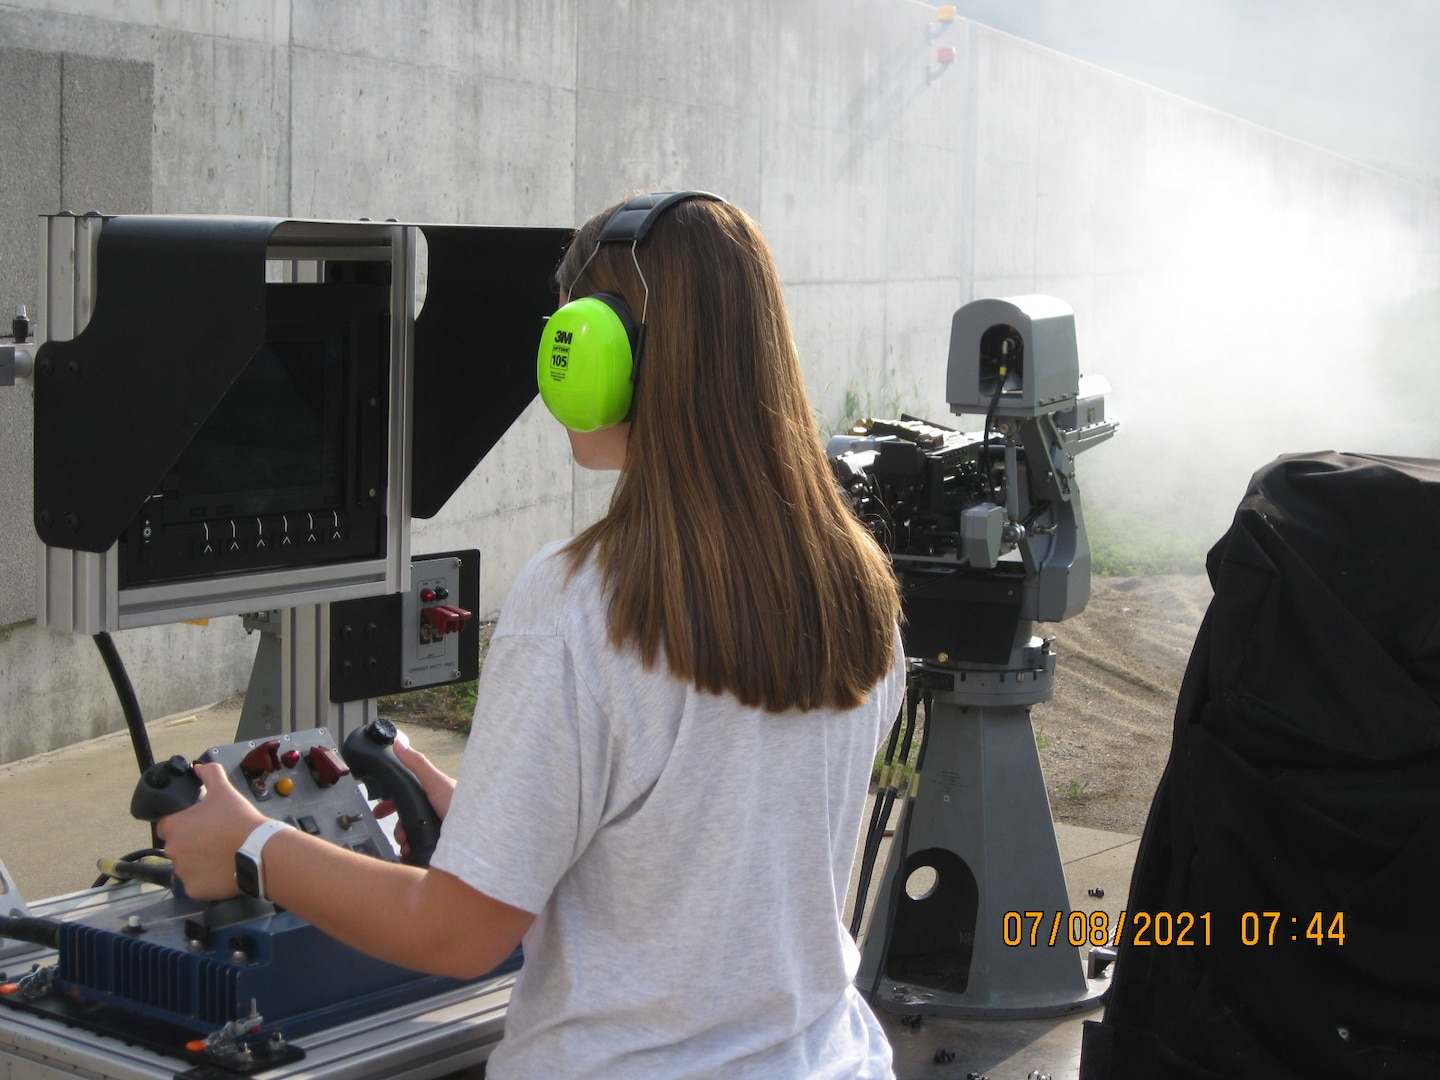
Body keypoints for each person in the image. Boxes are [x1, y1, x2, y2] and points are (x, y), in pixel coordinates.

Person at [158, 191, 906, 1079]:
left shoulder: (582, 600)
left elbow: (457, 935)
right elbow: (714, 844)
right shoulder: (854, 583)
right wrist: (502, 816)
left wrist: (249, 848)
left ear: (605, 352)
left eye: (567, 324)